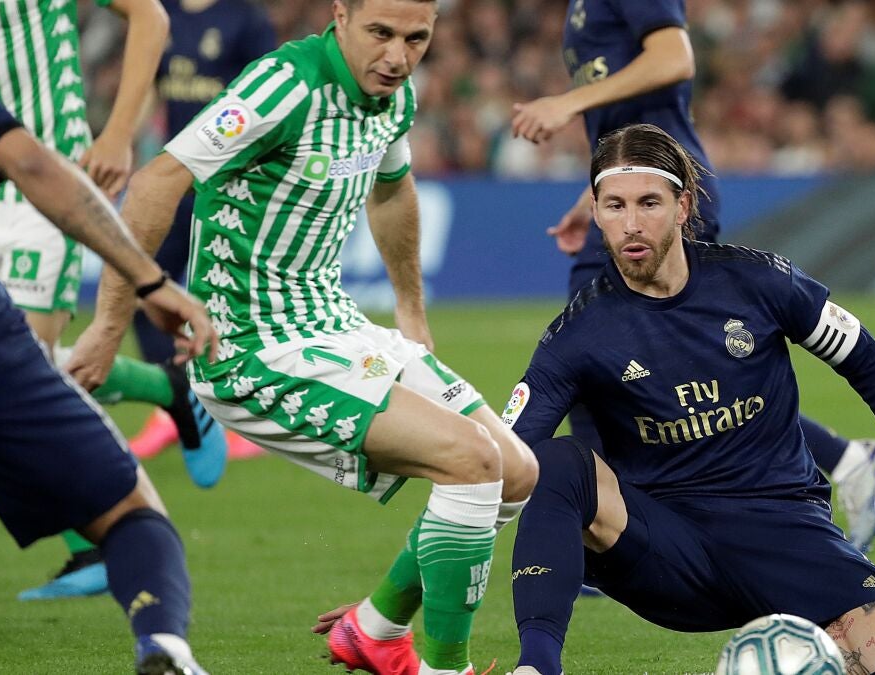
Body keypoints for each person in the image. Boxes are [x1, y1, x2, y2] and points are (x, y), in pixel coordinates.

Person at [65, 1, 539, 673]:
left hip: (332, 322)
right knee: (471, 460)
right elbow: (152, 185)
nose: (398, 56)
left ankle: (375, 627)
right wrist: (111, 323)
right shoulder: (284, 85)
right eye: (381, 33)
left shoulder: (393, 97)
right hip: (249, 347)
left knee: (516, 471)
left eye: (416, 38)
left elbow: (391, 191)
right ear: (340, 15)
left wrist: (411, 308)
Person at [502, 123, 875, 675]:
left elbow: (868, 359)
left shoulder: (759, 282)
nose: (631, 224)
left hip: (784, 531)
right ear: (596, 212)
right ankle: (537, 667)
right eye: (614, 205)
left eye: (649, 203)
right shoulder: (579, 333)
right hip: (665, 550)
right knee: (554, 461)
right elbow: (506, 457)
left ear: (683, 206)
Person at [510, 0, 875, 552]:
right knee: (605, 368)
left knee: (622, 365)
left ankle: (614, 532)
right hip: (636, 192)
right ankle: (843, 461)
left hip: (666, 192)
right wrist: (595, 197)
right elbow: (633, 127)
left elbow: (675, 58)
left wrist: (566, 103)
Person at [0, 0, 230, 600]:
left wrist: (119, 135)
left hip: (46, 178)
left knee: (16, 369)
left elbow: (150, 16)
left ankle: (107, 538)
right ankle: (166, 393)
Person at [128, 0, 276, 461]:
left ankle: (248, 418)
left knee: (233, 304)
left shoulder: (245, 18)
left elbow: (270, 101)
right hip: (177, 181)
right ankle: (174, 405)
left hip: (232, 186)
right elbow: (152, 89)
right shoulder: (162, 13)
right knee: (143, 291)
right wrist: (123, 141)